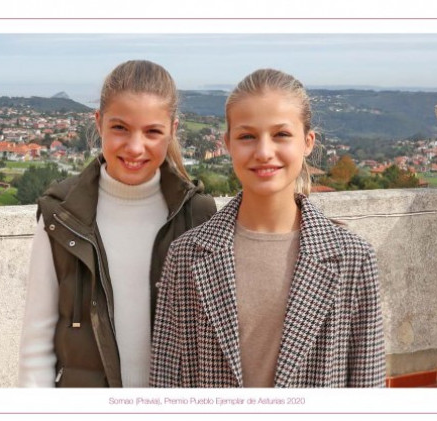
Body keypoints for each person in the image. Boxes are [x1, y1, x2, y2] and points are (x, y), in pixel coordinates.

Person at [150, 69, 385, 388]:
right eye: (247, 136)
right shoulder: (186, 256)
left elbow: (366, 387)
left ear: (307, 142)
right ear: (228, 144)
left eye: (281, 135)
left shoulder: (354, 259)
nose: (263, 152)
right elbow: (166, 382)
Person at [18, 60, 217, 388]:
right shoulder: (61, 217)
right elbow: (36, 349)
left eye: (152, 131)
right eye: (120, 128)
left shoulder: (198, 215)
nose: (135, 147)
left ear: (173, 130)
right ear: (99, 123)